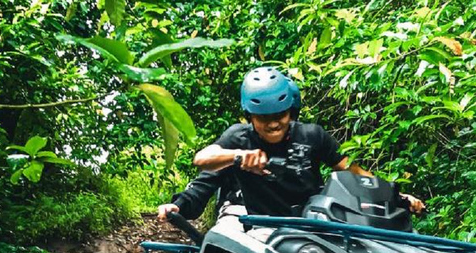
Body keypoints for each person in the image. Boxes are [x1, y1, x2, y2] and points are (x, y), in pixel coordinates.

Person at [157, 66, 423, 224]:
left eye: (279, 116)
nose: (273, 124)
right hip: (249, 223)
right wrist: (180, 205)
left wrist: (396, 197)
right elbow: (203, 161)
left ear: (290, 112)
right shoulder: (238, 139)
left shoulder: (312, 136)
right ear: (250, 117)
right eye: (263, 118)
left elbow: (355, 173)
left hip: (310, 222)